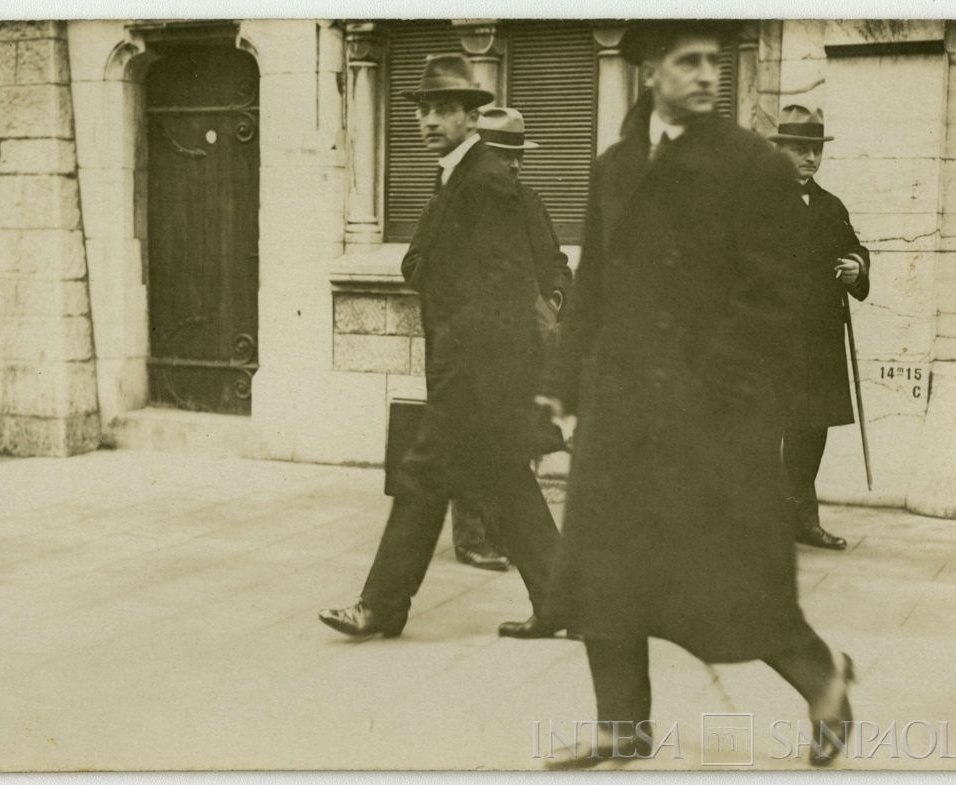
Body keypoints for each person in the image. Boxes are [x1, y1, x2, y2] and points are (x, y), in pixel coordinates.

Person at [537, 22, 856, 768]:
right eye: (688, 61)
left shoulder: (756, 167)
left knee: (727, 574)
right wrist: (557, 386)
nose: (708, 74)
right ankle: (622, 723)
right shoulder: (615, 166)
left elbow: (772, 299)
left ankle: (824, 678)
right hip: (621, 405)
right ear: (650, 70)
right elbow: (594, 288)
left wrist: (707, 388)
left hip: (713, 411)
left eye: (715, 60)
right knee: (603, 562)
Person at [319, 54, 566, 641]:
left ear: (470, 117)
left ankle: (380, 606)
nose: (430, 120)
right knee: (508, 482)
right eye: (424, 109)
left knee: (421, 479)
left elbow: (502, 286)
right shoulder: (455, 175)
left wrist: (465, 366)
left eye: (444, 109)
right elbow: (432, 265)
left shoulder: (484, 179)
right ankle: (565, 604)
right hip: (477, 369)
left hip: (476, 372)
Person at [440, 106, 575, 573]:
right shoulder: (455, 202)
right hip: (473, 343)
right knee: (472, 436)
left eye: (518, 156)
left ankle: (505, 533)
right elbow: (416, 264)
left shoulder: (529, 201)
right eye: (502, 155)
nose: (513, 165)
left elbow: (555, 263)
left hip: (523, 342)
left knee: (518, 438)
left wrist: (553, 301)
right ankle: (473, 536)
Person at [769, 105, 871, 551]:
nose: (810, 158)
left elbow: (855, 248)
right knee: (766, 430)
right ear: (781, 151)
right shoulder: (759, 203)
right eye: (800, 149)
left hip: (821, 340)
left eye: (815, 150)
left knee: (811, 432)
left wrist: (857, 268)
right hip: (771, 339)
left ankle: (802, 521)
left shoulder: (832, 206)